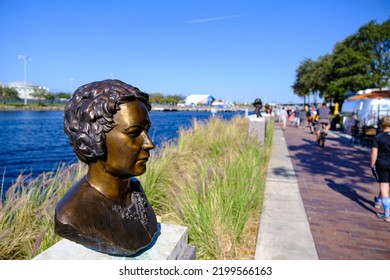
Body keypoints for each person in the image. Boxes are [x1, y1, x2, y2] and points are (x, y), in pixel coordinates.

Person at [55, 79, 158, 256]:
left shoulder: (135, 191)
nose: (149, 144)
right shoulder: (73, 215)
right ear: (90, 141)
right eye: (134, 133)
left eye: (146, 130)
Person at [371, 116, 390, 222]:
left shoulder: (378, 137)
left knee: (384, 185)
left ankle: (387, 214)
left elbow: (374, 152)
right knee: (387, 186)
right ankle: (378, 201)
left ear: (381, 125)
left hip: (382, 163)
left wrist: (372, 165)